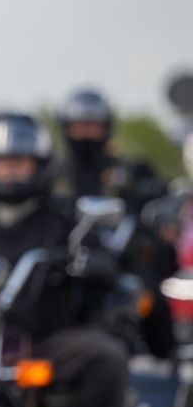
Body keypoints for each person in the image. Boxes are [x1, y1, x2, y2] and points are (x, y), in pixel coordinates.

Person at [0, 112, 128, 407]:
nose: (10, 171)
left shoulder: (65, 217)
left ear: (41, 166)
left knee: (105, 357)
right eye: (2, 162)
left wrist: (94, 262)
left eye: (19, 162)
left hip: (44, 339)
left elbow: (103, 255)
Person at [56, 88, 177, 356]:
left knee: (151, 297)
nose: (86, 132)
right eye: (80, 126)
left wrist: (153, 196)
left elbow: (158, 202)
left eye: (92, 125)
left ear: (105, 127)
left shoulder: (129, 171)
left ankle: (168, 365)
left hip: (123, 262)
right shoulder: (55, 174)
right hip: (68, 262)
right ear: (67, 128)